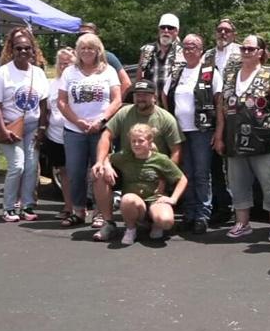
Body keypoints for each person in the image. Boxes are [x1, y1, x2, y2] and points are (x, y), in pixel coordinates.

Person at [215, 34, 270, 241]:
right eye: (243, 49)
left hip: (263, 141)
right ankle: (242, 223)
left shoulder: (269, 75)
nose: (246, 52)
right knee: (238, 184)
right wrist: (219, 136)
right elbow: (221, 109)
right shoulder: (230, 76)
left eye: (250, 49)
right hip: (234, 141)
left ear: (260, 53)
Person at [91, 79, 184, 242]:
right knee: (99, 173)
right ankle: (109, 223)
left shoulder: (165, 118)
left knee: (166, 220)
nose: (140, 98)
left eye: (145, 95)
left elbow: (176, 150)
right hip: (127, 164)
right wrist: (102, 162)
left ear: (154, 97)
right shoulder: (124, 112)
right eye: (137, 95)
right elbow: (106, 135)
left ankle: (152, 220)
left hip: (154, 170)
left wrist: (164, 177)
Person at [57, 33, 122, 228]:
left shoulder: (108, 71)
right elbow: (61, 101)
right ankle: (78, 210)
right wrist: (77, 121)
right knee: (75, 172)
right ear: (77, 51)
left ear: (98, 50)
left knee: (100, 171)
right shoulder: (69, 72)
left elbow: (117, 99)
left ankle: (100, 212)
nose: (86, 51)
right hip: (74, 130)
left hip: (101, 130)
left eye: (90, 48)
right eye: (83, 48)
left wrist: (102, 120)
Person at [0, 27, 50, 223]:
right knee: (17, 166)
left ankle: (27, 205)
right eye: (18, 48)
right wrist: (2, 128)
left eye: (27, 48)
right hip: (11, 127)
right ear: (11, 50)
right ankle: (9, 207)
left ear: (33, 50)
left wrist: (41, 128)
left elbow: (43, 103)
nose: (23, 51)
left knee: (31, 167)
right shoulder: (4, 72)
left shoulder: (38, 73)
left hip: (32, 127)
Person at [162, 34, 222, 234]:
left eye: (193, 47)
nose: (189, 51)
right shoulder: (177, 72)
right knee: (184, 174)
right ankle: (188, 212)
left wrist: (219, 131)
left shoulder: (210, 72)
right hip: (180, 132)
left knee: (201, 174)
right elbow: (164, 95)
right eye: (186, 47)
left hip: (202, 131)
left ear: (201, 50)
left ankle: (202, 215)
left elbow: (219, 103)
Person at [113, 124, 189, 245]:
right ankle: (131, 229)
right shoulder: (125, 157)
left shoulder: (160, 159)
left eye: (140, 141)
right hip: (137, 203)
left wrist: (173, 199)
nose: (136, 144)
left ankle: (155, 223)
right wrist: (105, 165)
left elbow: (182, 179)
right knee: (127, 199)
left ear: (149, 141)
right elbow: (105, 159)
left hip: (155, 200)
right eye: (133, 141)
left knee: (166, 221)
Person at [202, 18, 241, 225]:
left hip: (236, 113)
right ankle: (222, 204)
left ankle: (239, 206)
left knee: (234, 163)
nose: (223, 34)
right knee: (216, 162)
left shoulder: (241, 52)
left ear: (234, 34)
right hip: (211, 113)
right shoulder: (207, 55)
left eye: (227, 30)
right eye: (219, 30)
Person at [44, 47, 77, 221]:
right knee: (62, 172)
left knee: (79, 172)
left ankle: (84, 206)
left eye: (68, 63)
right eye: (61, 63)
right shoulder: (53, 83)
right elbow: (48, 109)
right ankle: (68, 206)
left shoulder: (79, 81)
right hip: (55, 134)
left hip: (75, 132)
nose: (64, 66)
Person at [136, 13, 183, 100]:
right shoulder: (146, 50)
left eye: (170, 28)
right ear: (158, 30)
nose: (166, 30)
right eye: (163, 27)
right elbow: (139, 79)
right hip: (151, 105)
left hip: (174, 106)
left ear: (177, 31)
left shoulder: (183, 52)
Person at [80, 22, 132, 99]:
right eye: (80, 35)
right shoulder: (74, 57)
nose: (84, 37)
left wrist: (115, 104)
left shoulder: (107, 57)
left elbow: (126, 83)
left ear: (96, 37)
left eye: (88, 35)